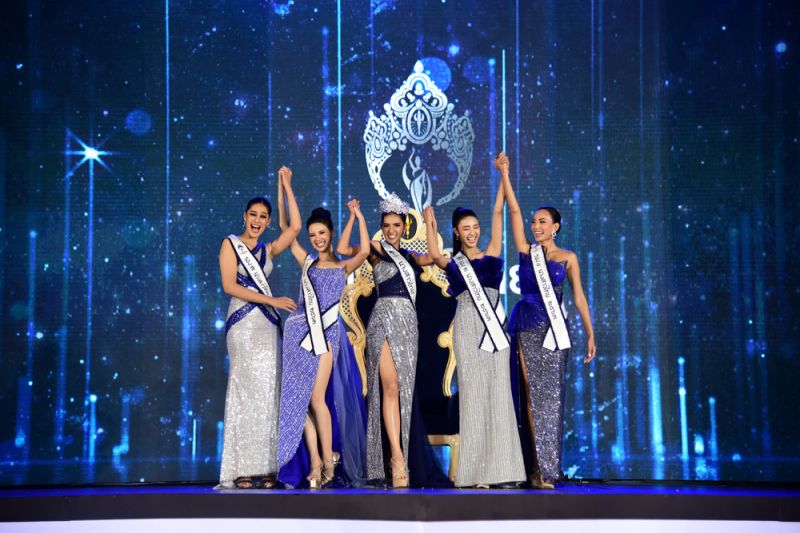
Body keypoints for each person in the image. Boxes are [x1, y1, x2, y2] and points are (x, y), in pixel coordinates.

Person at [496, 151, 596, 488]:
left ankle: (550, 467)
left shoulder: (568, 258)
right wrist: (505, 174)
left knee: (551, 400)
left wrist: (590, 333)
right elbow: (513, 210)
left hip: (554, 333)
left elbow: (578, 297)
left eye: (542, 222)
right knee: (528, 396)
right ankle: (534, 468)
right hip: (526, 326)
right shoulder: (527, 252)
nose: (536, 226)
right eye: (534, 222)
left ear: (555, 227)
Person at [423, 173, 526, 488]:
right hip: (467, 329)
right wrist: (429, 222)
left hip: (495, 330)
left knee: (498, 396)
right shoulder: (453, 263)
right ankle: (475, 474)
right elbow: (434, 253)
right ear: (457, 232)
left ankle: (503, 471)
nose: (472, 232)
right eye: (465, 228)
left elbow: (499, 212)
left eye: (475, 227)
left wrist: (504, 175)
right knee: (475, 397)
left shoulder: (492, 252)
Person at [336, 193, 436, 488]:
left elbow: (434, 256)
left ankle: (401, 455)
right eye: (387, 225)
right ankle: (396, 458)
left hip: (407, 324)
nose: (391, 230)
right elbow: (342, 248)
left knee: (402, 391)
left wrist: (431, 223)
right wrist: (356, 218)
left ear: (404, 227)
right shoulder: (375, 251)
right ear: (382, 227)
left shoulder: (412, 257)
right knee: (389, 386)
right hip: (381, 319)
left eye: (396, 225)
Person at [276, 198, 370, 489]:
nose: (317, 239)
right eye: (313, 234)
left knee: (317, 398)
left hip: (327, 336)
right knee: (298, 402)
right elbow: (285, 227)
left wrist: (357, 216)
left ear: (330, 233)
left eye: (322, 233)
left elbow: (365, 250)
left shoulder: (342, 266)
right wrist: (285, 187)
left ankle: (330, 461)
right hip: (297, 335)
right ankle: (316, 461)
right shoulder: (307, 262)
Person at [217, 166, 301, 489]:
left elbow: (294, 227)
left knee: (268, 392)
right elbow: (230, 286)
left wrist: (285, 185)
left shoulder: (268, 250)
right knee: (245, 390)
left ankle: (268, 467)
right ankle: (242, 468)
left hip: (266, 328)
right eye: (253, 214)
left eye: (263, 217)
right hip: (242, 324)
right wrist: (271, 300)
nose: (257, 220)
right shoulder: (230, 244)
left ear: (267, 222)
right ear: (244, 216)